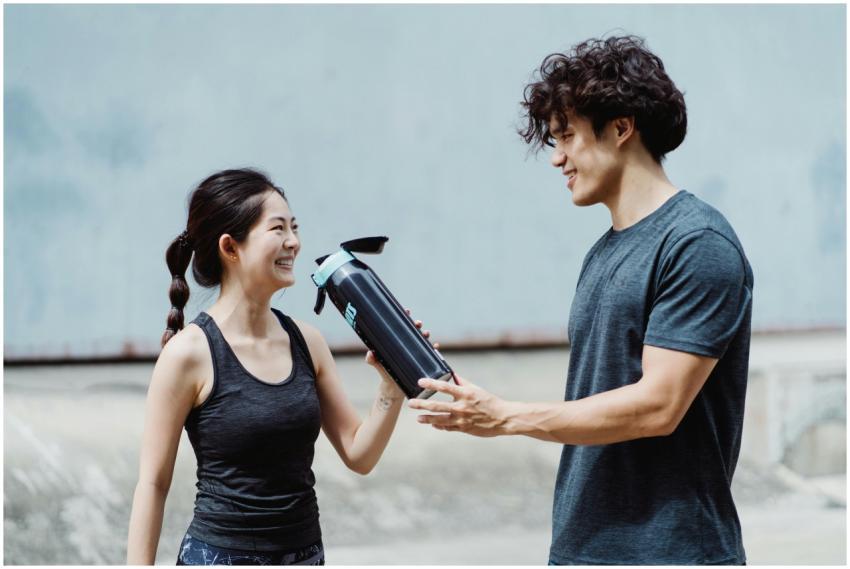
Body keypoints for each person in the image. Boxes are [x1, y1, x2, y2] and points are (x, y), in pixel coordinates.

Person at [409, 36, 753, 565]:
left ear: (621, 128)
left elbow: (659, 406)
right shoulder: (603, 252)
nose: (556, 158)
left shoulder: (697, 243)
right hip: (583, 548)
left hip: (672, 552)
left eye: (567, 135)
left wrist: (506, 416)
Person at [127, 168, 429, 565]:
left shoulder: (308, 342)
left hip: (304, 556)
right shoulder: (189, 354)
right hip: (219, 557)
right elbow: (153, 483)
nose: (294, 242)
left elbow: (359, 455)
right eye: (278, 229)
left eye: (295, 228)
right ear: (230, 248)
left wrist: (391, 385)